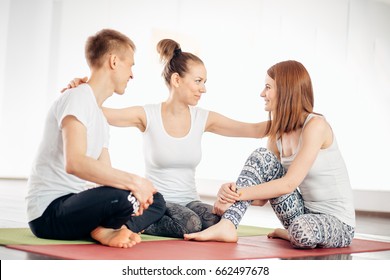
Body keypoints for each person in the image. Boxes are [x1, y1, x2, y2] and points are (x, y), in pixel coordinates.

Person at [64, 39, 269, 238]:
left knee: (221, 220)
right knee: (192, 224)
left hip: (189, 201)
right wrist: (82, 91)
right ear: (177, 80)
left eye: (204, 82)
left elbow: (254, 130)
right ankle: (138, 221)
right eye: (198, 81)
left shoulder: (203, 118)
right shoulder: (147, 115)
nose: (203, 89)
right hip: (156, 203)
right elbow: (99, 112)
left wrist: (292, 112)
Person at [184, 60, 356, 249]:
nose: (262, 94)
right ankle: (227, 225)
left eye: (268, 87)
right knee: (262, 156)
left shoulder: (316, 126)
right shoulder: (277, 135)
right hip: (303, 214)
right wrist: (230, 193)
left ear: (286, 90)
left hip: (338, 223)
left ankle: (290, 233)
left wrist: (238, 195)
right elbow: (260, 199)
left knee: (301, 230)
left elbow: (290, 183)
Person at [26, 29, 166, 248]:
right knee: (125, 196)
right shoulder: (77, 97)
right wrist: (134, 183)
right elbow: (75, 163)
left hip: (77, 207)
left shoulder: (99, 115)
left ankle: (111, 229)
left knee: (155, 199)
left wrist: (139, 189)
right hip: (49, 213)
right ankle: (108, 228)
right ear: (113, 61)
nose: (132, 75)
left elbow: (105, 176)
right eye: (130, 65)